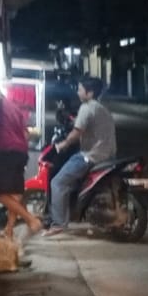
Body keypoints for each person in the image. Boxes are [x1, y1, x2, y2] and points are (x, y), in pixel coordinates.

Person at [47, 76, 117, 236]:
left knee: (57, 182)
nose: (78, 92)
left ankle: (58, 223)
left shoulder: (86, 107)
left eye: (80, 89)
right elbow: (85, 125)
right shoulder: (102, 109)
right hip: (109, 156)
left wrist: (63, 144)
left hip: (90, 156)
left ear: (89, 93)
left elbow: (77, 133)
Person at [0, 89, 41, 238]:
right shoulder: (14, 107)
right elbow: (26, 134)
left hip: (4, 151)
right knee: (15, 194)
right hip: (20, 153)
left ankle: (31, 219)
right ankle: (9, 231)